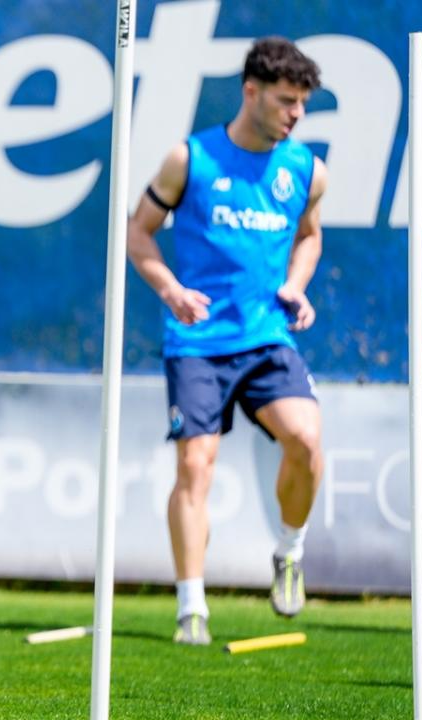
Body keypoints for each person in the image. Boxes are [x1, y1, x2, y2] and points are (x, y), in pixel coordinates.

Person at [127, 36, 325, 645]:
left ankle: (289, 552)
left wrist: (296, 284)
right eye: (286, 101)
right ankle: (192, 607)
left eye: (302, 103)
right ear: (251, 92)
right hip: (198, 341)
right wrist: (171, 291)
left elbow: (310, 236)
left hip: (266, 336)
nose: (296, 114)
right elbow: (138, 232)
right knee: (195, 464)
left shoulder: (305, 170)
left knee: (306, 439)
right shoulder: (189, 159)